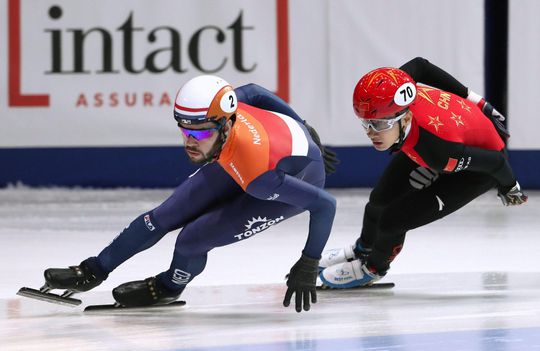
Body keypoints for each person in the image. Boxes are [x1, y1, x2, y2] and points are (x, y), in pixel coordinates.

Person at [43, 75, 338, 312]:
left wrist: (309, 262)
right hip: (248, 158)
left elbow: (325, 204)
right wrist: (305, 127)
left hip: (291, 178)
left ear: (225, 125)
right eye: (185, 130)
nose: (190, 141)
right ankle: (93, 270)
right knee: (162, 217)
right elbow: (255, 90)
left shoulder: (257, 176)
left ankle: (169, 287)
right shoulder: (231, 108)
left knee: (192, 240)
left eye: (201, 133)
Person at [319, 57, 527, 288]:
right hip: (441, 139)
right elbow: (420, 65)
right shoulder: (395, 89)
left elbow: (497, 162)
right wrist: (477, 100)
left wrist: (509, 188)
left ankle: (373, 268)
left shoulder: (437, 152)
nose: (370, 132)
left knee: (392, 221)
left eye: (378, 125)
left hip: (478, 167)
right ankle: (363, 249)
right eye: (366, 123)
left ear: (405, 117)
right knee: (379, 200)